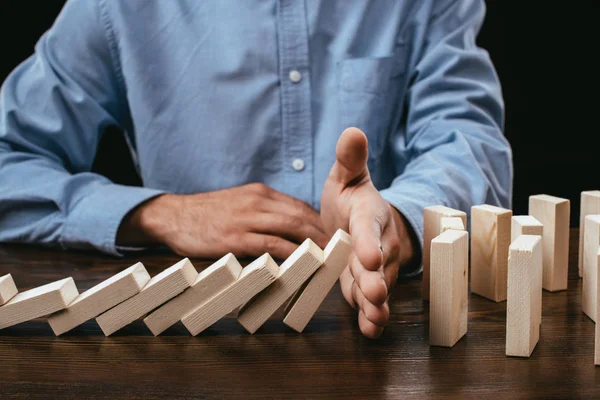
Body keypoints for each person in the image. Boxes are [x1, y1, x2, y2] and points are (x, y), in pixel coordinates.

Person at [0, 0, 512, 338]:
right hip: (189, 340)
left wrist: (394, 224)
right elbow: (9, 158)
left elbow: (470, 141)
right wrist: (159, 213)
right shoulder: (113, 7)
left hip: (374, 329)